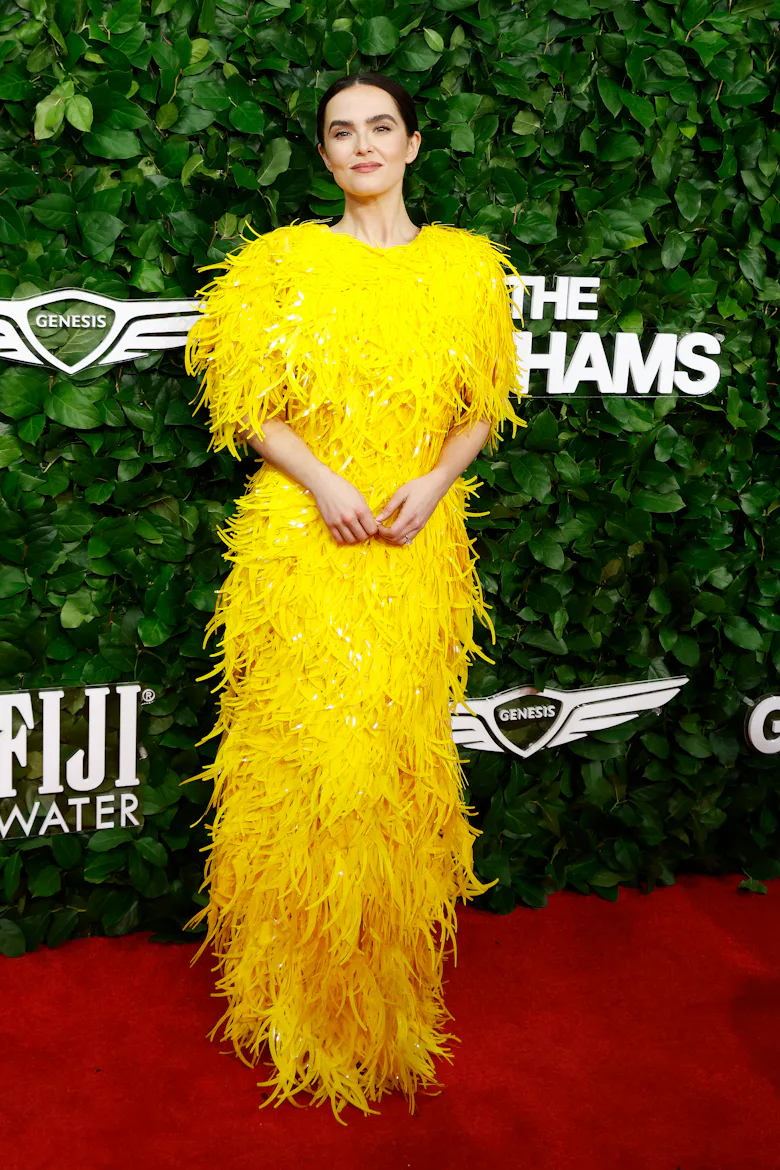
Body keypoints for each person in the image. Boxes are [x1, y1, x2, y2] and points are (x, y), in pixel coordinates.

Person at [181, 70, 526, 1125]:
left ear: (414, 144)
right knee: (298, 769)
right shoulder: (280, 263)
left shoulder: (468, 269)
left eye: (382, 127)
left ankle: (381, 995)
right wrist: (325, 482)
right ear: (325, 154)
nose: (364, 144)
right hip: (304, 546)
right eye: (343, 131)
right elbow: (246, 406)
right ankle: (291, 999)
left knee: (392, 770)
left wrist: (437, 479)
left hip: (415, 552)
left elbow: (482, 402)